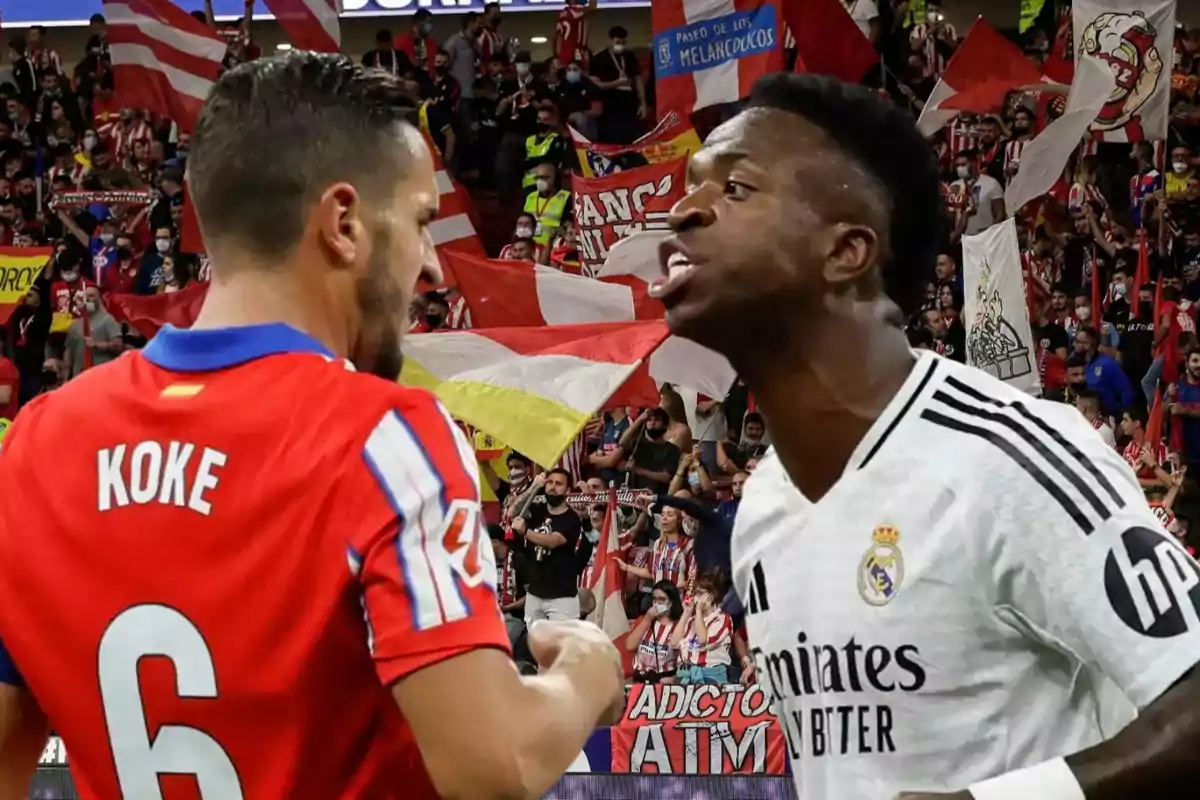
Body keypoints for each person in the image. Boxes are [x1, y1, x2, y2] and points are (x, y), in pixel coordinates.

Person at [0, 53, 623, 800]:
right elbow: (496, 765)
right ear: (345, 223)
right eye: (422, 222)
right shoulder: (385, 438)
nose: (432, 267)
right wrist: (586, 676)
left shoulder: (34, 447)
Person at [652, 71, 1200, 799]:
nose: (684, 212)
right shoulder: (763, 507)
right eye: (691, 186)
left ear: (847, 252)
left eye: (735, 189)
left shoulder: (1009, 458)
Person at [511, 468, 585, 623]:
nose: (552, 486)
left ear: (568, 490)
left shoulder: (571, 519)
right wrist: (532, 488)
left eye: (558, 484)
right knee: (536, 644)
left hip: (561, 597)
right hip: (534, 594)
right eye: (549, 482)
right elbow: (512, 513)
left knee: (561, 645)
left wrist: (525, 532)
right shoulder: (536, 510)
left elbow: (553, 541)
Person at [625, 580, 683, 684]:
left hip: (664, 681)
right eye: (654, 599)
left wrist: (673, 679)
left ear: (671, 603)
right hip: (640, 679)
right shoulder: (643, 620)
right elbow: (629, 646)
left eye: (662, 600)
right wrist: (647, 619)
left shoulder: (678, 626)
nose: (657, 603)